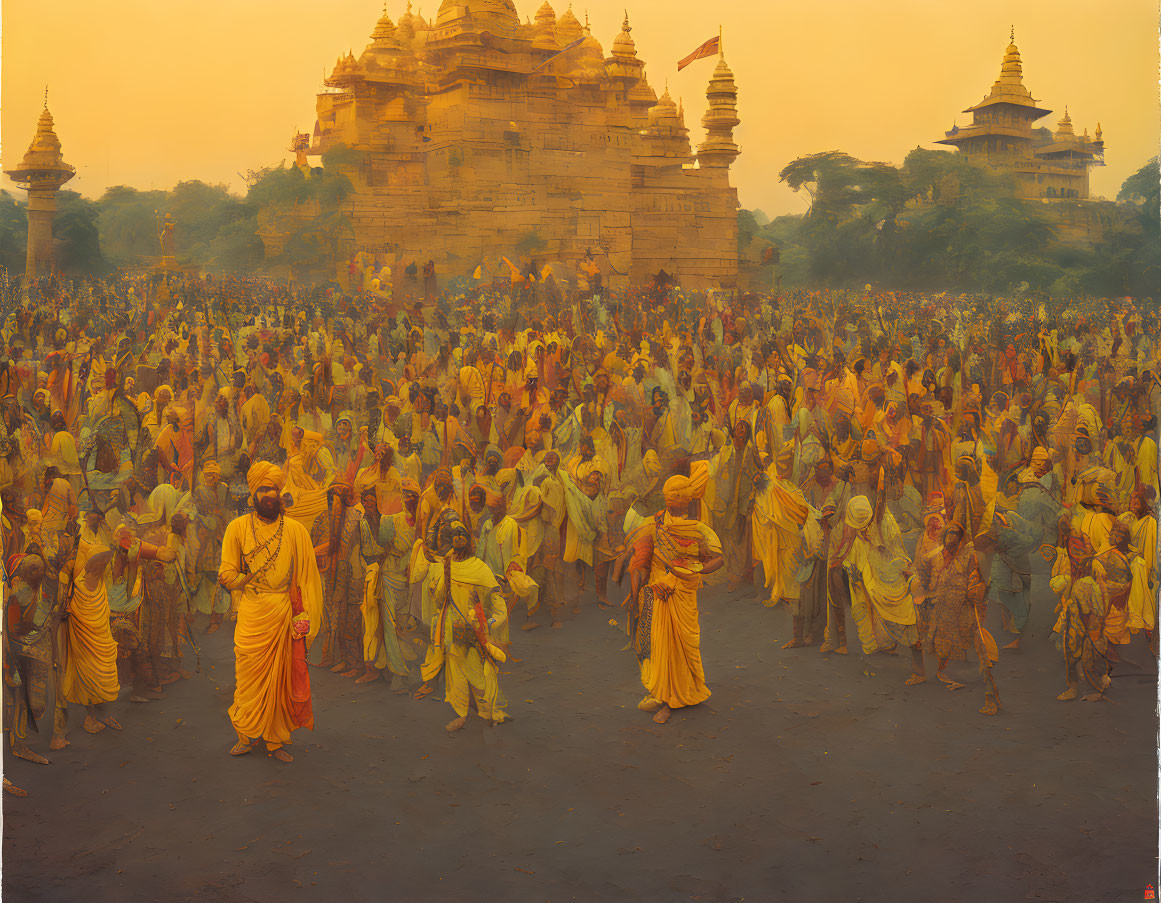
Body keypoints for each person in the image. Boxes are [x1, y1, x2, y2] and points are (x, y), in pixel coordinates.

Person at [217, 462, 323, 763]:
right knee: (247, 675)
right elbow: (227, 569)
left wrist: (303, 616)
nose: (268, 494)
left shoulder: (296, 531)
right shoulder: (236, 528)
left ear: (280, 494)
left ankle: (276, 740)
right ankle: (246, 735)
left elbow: (306, 579)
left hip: (283, 613)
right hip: (252, 611)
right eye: (262, 489)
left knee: (281, 679)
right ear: (253, 494)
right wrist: (237, 579)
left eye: (273, 489)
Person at [619, 465, 723, 725]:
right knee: (661, 645)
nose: (673, 500)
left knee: (684, 645)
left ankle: (684, 693)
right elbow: (640, 559)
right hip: (658, 593)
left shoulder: (697, 528)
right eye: (670, 495)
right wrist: (637, 593)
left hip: (683, 592)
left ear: (686, 499)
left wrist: (694, 568)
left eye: (677, 496)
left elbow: (718, 559)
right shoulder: (653, 524)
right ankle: (665, 698)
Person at [415, 520, 509, 732]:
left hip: (473, 628)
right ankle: (462, 714)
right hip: (451, 629)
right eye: (455, 535)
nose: (457, 538)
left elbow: (495, 598)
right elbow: (440, 596)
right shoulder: (447, 564)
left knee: (479, 672)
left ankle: (489, 712)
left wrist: (490, 622)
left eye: (461, 534)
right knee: (455, 674)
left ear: (468, 541)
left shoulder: (479, 568)